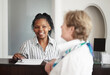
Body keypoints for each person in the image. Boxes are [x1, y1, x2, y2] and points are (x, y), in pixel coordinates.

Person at [45, 10, 93, 75]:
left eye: (64, 24)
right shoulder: (82, 49)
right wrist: (56, 63)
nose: (61, 27)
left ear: (71, 29)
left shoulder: (72, 57)